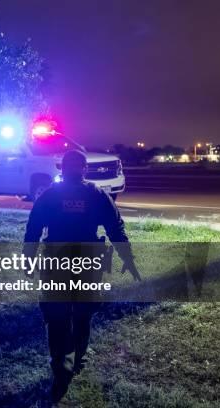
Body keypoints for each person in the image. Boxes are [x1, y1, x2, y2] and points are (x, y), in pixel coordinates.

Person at [23, 150, 141, 404]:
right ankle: (76, 360)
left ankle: (62, 370)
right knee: (83, 314)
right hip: (87, 263)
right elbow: (116, 229)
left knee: (57, 318)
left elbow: (32, 230)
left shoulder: (50, 195)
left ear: (62, 169)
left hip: (57, 261)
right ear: (85, 169)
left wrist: (29, 259)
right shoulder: (96, 195)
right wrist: (128, 259)